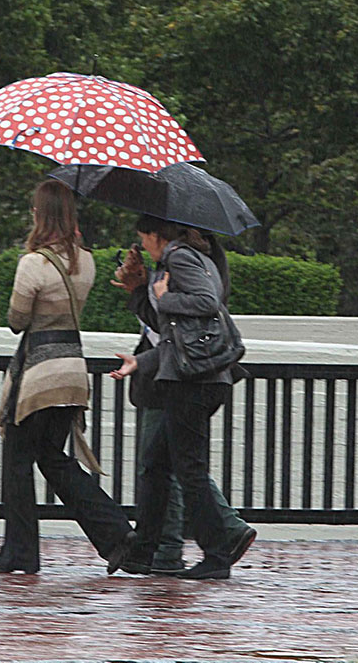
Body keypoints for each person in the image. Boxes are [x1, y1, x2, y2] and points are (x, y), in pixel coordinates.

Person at [0, 180, 134, 574]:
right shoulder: (86, 260)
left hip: (38, 374)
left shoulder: (33, 263)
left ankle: (20, 553)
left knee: (18, 461)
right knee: (52, 457)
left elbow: (17, 321)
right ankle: (117, 534)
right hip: (72, 371)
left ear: (41, 215)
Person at [108, 216, 257, 580]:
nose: (141, 245)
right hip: (190, 378)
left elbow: (206, 303)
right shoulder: (181, 258)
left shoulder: (181, 257)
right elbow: (173, 334)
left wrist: (164, 296)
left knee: (188, 469)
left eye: (143, 237)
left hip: (195, 382)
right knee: (157, 464)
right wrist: (140, 361)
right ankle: (144, 549)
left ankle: (217, 554)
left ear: (157, 235)